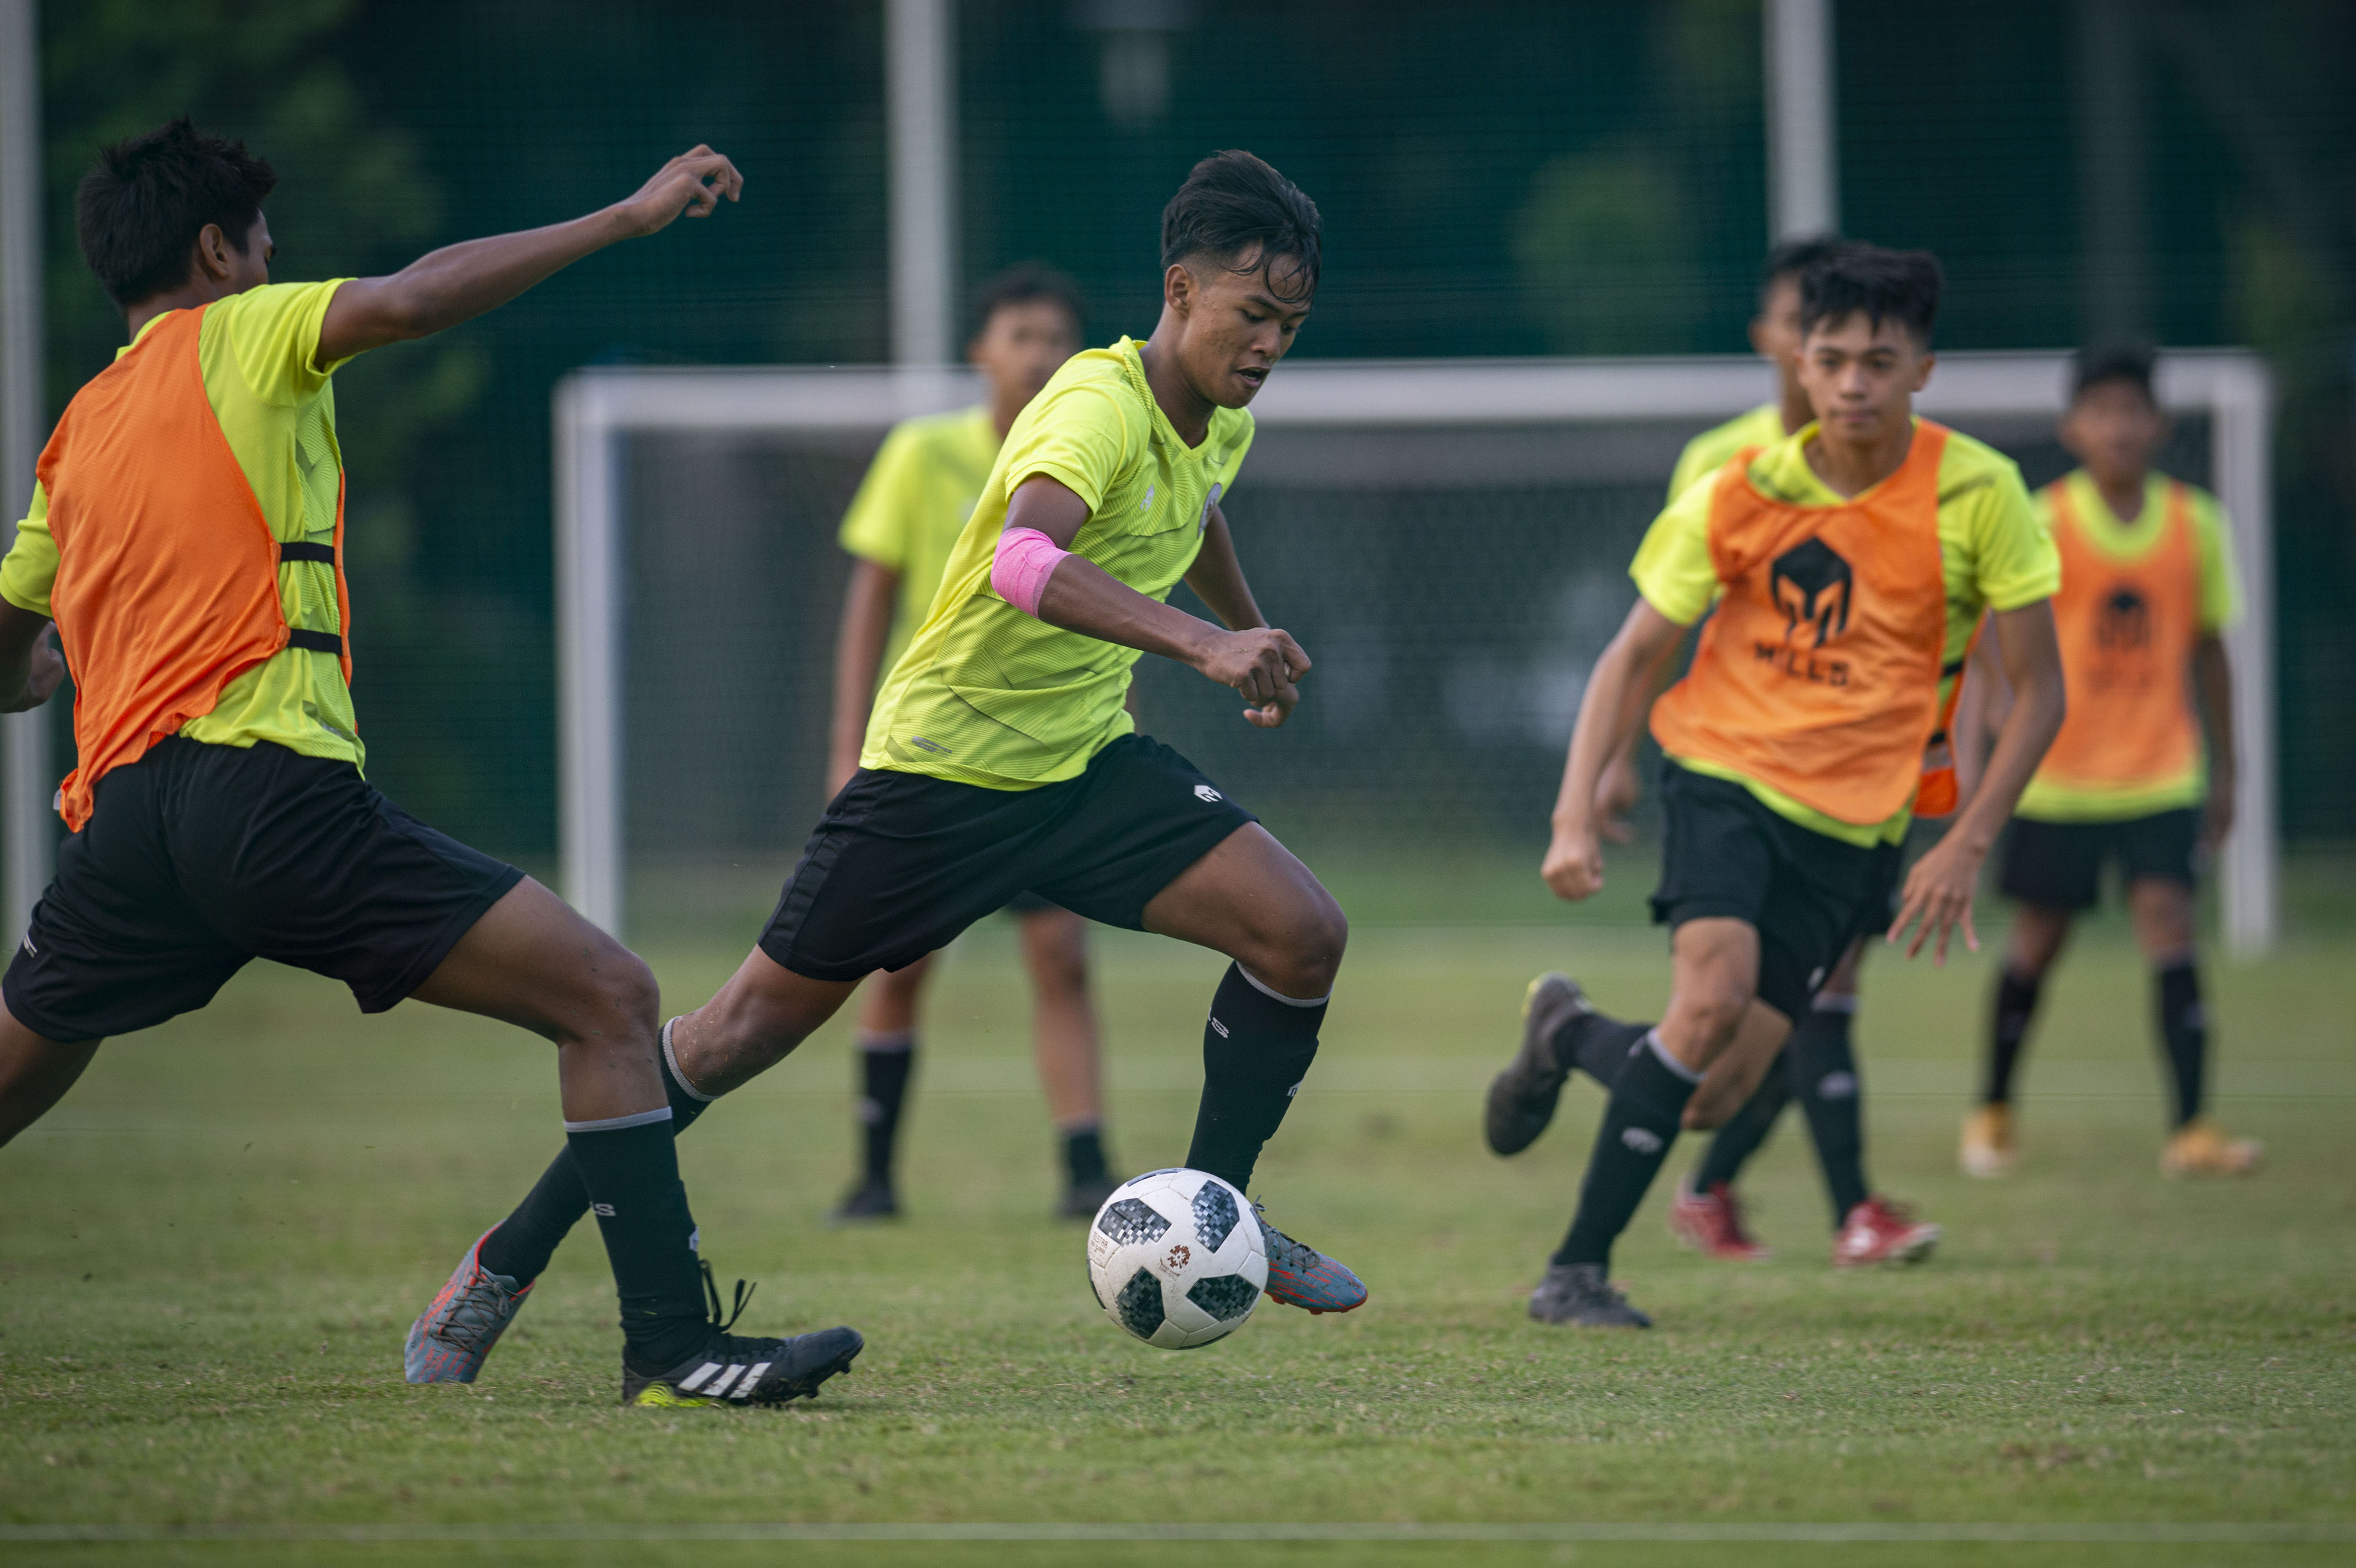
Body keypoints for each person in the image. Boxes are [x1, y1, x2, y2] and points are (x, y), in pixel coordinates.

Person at [408, 148, 1368, 1385]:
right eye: (1252, 316)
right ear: (1178, 289)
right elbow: (1023, 565)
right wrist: (1201, 642)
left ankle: (1215, 1214)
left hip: (1078, 769)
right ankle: (502, 1259)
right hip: (935, 782)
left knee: (1301, 934)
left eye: (1289, 323)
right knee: (730, 1035)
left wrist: (1250, 623)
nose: (1270, 344)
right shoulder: (1096, 402)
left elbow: (1194, 511)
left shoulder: (1213, 417)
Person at [0, 118, 861, 1408]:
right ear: (218, 249)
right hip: (265, 799)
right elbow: (413, 298)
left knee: (27, 1063)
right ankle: (673, 1348)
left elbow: (11, 646)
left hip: (127, 832)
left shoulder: (74, 436)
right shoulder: (244, 328)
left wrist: (45, 668)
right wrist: (621, 218)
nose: (281, 264)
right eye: (270, 245)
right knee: (612, 997)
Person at [1485, 244, 2067, 1328]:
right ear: (1800, 361)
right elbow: (1632, 653)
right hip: (1724, 775)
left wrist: (1969, 839)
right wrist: (1576, 811)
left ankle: (1566, 1033)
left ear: (1922, 371)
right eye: (1832, 359)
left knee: (1711, 1093)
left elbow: (2040, 693)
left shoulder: (1980, 494)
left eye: (1878, 363)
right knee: (1706, 1000)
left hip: (1859, 830)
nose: (1851, 383)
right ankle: (1575, 1272)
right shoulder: (1740, 492)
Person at [827, 264, 1123, 1224]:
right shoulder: (923, 454)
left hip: (1047, 757)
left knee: (1061, 956)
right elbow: (868, 602)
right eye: (1021, 336)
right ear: (982, 352)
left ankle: (1086, 1168)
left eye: (1056, 340)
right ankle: (874, 1176)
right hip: (938, 753)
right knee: (900, 961)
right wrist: (846, 748)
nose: (1039, 355)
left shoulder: (1087, 452)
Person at [1958, 344, 2261, 1180]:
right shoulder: (2043, 517)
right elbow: (1995, 644)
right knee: (2038, 941)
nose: (2119, 428)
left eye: (2134, 412)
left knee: (2169, 922)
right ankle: (1991, 1111)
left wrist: (2229, 768)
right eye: (2102, 412)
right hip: (2057, 775)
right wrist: (1983, 746)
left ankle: (2192, 1127)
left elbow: (2211, 652)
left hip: (2162, 767)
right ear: (2073, 426)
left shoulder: (2195, 522)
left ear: (2158, 425)